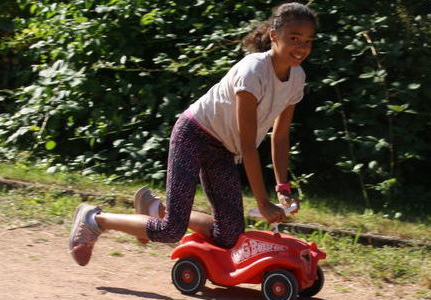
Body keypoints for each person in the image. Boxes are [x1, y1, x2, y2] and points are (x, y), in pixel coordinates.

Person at [68, 2, 318, 266]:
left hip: (222, 149)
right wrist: (262, 202)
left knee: (229, 236)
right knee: (170, 231)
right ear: (274, 36)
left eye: (308, 41)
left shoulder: (297, 77)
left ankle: (155, 209)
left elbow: (279, 136)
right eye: (294, 38)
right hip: (194, 134)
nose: (301, 48)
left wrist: (282, 188)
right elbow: (247, 145)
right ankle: (94, 219)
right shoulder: (253, 71)